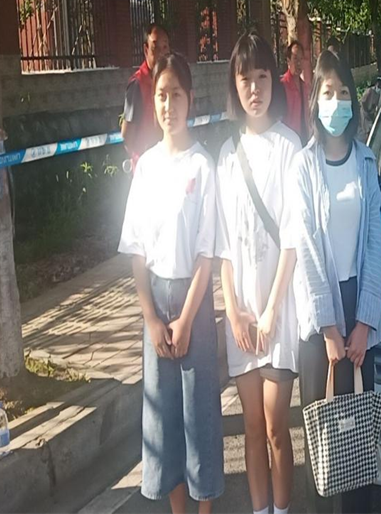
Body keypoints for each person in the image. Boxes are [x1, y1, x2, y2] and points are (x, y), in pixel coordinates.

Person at [118, 52, 224, 514]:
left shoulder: (203, 166)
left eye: (176, 95)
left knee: (199, 416)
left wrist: (185, 320)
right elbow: (137, 249)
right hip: (155, 305)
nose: (168, 105)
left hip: (192, 304)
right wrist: (151, 318)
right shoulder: (145, 167)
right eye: (161, 95)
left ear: (190, 99)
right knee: (164, 420)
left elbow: (206, 253)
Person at [292, 50, 381, 514]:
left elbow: (376, 245)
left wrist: (364, 323)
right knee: (325, 440)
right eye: (327, 92)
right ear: (315, 100)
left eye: (343, 92)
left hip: (359, 307)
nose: (336, 101)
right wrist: (329, 328)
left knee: (358, 437)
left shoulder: (366, 162)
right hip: (321, 316)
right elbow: (306, 248)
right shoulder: (303, 166)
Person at [216, 32, 300, 514]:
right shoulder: (227, 155)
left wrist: (270, 312)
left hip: (279, 315)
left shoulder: (290, 147)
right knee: (249, 428)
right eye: (245, 78)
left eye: (262, 77)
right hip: (243, 319)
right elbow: (223, 246)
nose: (254, 88)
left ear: (274, 82)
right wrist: (234, 312)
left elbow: (292, 239)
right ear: (235, 84)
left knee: (274, 426)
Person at [121, 23, 170, 166]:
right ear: (146, 49)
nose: (161, 53)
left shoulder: (169, 80)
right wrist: (140, 160)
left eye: (165, 47)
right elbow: (127, 135)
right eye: (155, 47)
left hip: (169, 162)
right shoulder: (137, 84)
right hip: (147, 165)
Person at [280, 39, 311, 144]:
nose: (299, 63)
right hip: (287, 141)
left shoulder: (305, 86)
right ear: (288, 60)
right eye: (295, 58)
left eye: (301, 59)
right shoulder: (282, 85)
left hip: (303, 140)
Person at [358, 77, 381, 142]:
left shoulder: (378, 93)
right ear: (376, 84)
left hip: (371, 112)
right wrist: (366, 111)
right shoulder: (369, 91)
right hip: (364, 111)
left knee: (371, 128)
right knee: (366, 128)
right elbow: (363, 101)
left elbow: (376, 104)